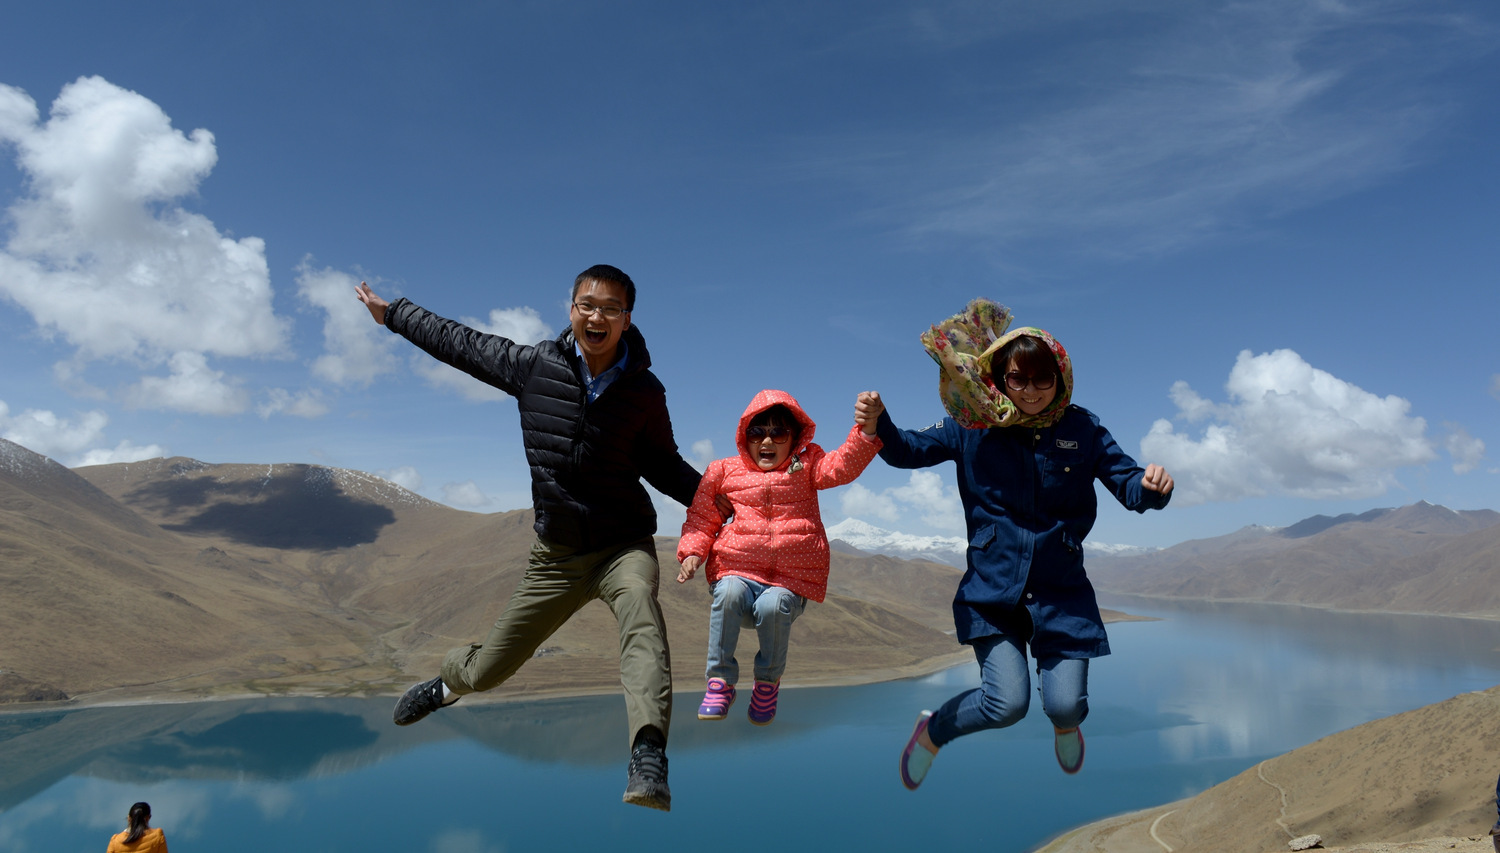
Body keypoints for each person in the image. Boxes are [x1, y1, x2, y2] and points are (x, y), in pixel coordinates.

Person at [356, 265, 702, 811]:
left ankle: (648, 754)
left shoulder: (644, 392)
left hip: (622, 547)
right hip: (558, 554)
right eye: (588, 304)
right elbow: (460, 344)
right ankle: (446, 686)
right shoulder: (535, 367)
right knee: (489, 670)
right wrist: (394, 314)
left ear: (627, 319)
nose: (598, 316)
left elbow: (664, 465)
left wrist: (725, 506)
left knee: (640, 605)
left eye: (611, 308)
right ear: (571, 310)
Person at [857, 299, 1174, 790]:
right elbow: (907, 451)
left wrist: (1152, 490)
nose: (1030, 391)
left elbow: (1127, 482)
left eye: (1041, 379)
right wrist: (879, 424)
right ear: (1000, 378)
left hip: (1060, 592)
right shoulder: (972, 423)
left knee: (1065, 704)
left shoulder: (1082, 428)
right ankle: (933, 731)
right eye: (1017, 379)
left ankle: (1066, 724)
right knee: (1006, 705)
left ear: (1060, 377)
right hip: (993, 591)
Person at [675, 390, 882, 725]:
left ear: (794, 438)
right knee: (727, 594)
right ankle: (720, 682)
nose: (767, 440)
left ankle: (767, 683)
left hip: (789, 581)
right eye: (757, 432)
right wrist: (693, 552)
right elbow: (702, 518)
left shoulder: (809, 464)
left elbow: (842, 466)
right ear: (745, 436)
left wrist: (867, 429)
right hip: (737, 570)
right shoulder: (723, 471)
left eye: (778, 432)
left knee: (773, 606)